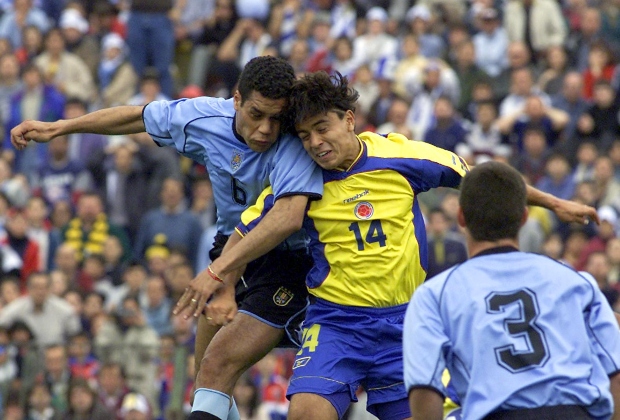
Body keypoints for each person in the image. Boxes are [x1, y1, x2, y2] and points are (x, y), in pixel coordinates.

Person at [199, 72, 599, 420]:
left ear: (349, 120)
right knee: (306, 413)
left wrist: (554, 201)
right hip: (336, 323)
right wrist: (220, 275)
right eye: (304, 136)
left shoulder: (400, 155)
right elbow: (247, 227)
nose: (315, 143)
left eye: (322, 128)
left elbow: (483, 179)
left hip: (405, 324)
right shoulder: (301, 178)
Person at [10, 55, 323, 420]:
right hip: (228, 249)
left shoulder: (293, 140)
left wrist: (219, 272)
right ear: (236, 99)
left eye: (276, 118)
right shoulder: (205, 118)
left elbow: (286, 218)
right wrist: (61, 127)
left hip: (287, 257)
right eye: (257, 114)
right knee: (207, 376)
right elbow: (136, 116)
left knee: (220, 363)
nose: (267, 129)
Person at [403, 161, 620, 420]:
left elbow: (426, 390)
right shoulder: (576, 281)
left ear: (461, 218)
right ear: (524, 218)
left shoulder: (434, 296)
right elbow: (615, 372)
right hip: (576, 413)